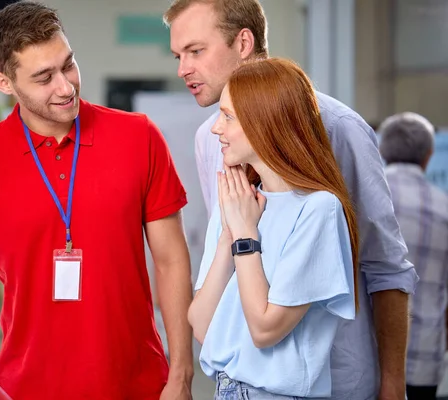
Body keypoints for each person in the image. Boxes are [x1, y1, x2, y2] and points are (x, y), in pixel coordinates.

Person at [0, 2, 194, 399]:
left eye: (68, 64)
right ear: (5, 83)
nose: (66, 86)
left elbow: (172, 260)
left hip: (137, 387)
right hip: (26, 389)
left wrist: (181, 376)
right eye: (44, 77)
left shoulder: (138, 138)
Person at [163, 1, 419, 399]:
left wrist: (393, 387)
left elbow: (386, 268)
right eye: (178, 56)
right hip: (234, 378)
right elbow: (220, 291)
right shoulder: (210, 142)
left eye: (195, 51)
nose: (182, 69)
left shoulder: (340, 130)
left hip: (333, 380)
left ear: (243, 42)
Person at [189, 58, 359, 399]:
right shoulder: (240, 205)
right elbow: (203, 326)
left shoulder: (318, 209)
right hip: (226, 389)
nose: (215, 128)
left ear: (265, 122)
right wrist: (230, 235)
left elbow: (265, 329)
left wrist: (246, 237)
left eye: (228, 116)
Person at [379, 112, 448, 400]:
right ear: (429, 156)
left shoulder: (365, 197)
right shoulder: (444, 208)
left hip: (371, 353)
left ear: (381, 149)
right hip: (424, 358)